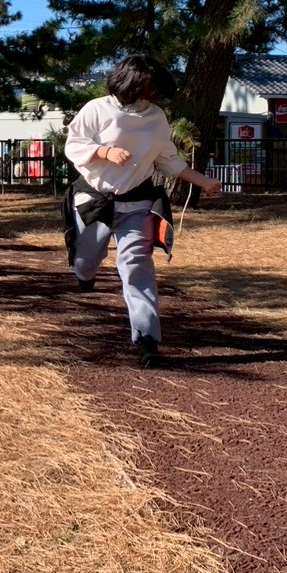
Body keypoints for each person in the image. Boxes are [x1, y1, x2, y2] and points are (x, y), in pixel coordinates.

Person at [63, 55, 222, 367]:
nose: (151, 93)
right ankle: (84, 274)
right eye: (147, 86)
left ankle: (147, 339)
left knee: (136, 265)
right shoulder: (96, 108)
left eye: (155, 87)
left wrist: (203, 181)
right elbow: (74, 145)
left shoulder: (156, 117)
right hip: (94, 200)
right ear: (128, 83)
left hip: (137, 204)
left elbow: (168, 159)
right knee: (84, 262)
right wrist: (104, 152)